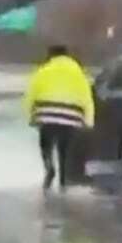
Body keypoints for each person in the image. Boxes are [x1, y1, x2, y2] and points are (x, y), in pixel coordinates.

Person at [23, 45, 95, 190]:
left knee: (46, 144)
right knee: (64, 149)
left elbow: (31, 94)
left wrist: (30, 116)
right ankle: (63, 180)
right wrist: (89, 120)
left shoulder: (43, 70)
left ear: (51, 55)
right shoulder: (78, 72)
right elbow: (87, 97)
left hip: (46, 113)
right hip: (70, 116)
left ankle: (49, 166)